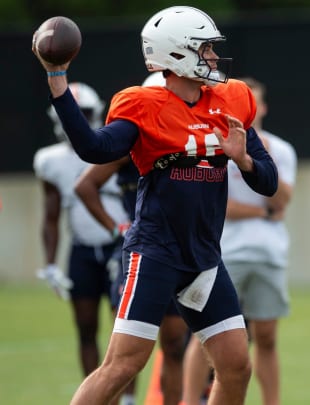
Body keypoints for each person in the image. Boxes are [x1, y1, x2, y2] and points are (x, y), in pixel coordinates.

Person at [32, 5, 278, 405]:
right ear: (178, 54)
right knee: (123, 365)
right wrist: (57, 80)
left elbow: (267, 182)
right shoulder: (143, 105)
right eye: (206, 49)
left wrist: (243, 158)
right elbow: (95, 149)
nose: (214, 57)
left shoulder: (230, 102)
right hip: (156, 252)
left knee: (236, 365)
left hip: (203, 257)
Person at [72, 72, 190, 405]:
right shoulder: (131, 142)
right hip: (144, 251)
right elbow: (85, 185)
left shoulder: (186, 138)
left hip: (180, 249)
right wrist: (116, 227)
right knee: (124, 355)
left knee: (175, 346)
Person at [182, 77, 297, 405]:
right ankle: (190, 401)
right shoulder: (213, 142)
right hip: (225, 252)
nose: (255, 109)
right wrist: (260, 213)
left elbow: (281, 199)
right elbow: (223, 207)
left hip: (269, 254)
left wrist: (264, 159)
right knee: (205, 335)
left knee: (267, 338)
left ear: (264, 107)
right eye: (249, 101)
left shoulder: (281, 149)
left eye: (258, 102)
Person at [33, 82, 134, 404]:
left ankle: (128, 399)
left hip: (120, 244)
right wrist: (49, 263)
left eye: (84, 113)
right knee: (86, 327)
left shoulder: (116, 144)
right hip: (82, 248)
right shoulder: (50, 160)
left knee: (126, 330)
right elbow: (50, 215)